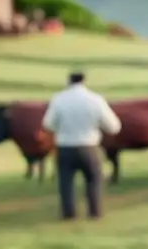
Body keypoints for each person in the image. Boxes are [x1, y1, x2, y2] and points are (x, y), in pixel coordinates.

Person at [42, 72, 121, 220]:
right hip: (89, 146)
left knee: (65, 182)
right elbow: (114, 126)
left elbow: (48, 124)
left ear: (68, 81)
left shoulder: (58, 99)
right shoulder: (96, 99)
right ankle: (94, 212)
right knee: (94, 179)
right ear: (84, 81)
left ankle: (69, 213)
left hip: (65, 146)